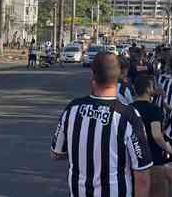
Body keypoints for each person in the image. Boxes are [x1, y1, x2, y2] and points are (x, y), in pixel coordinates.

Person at [51, 52, 152, 197]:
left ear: (92, 76)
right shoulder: (129, 116)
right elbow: (142, 175)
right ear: (118, 77)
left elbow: (56, 153)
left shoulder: (73, 109)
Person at [132, 75, 172, 197]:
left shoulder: (128, 109)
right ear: (148, 89)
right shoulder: (154, 109)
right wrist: (168, 148)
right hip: (154, 160)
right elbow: (157, 135)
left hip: (134, 162)